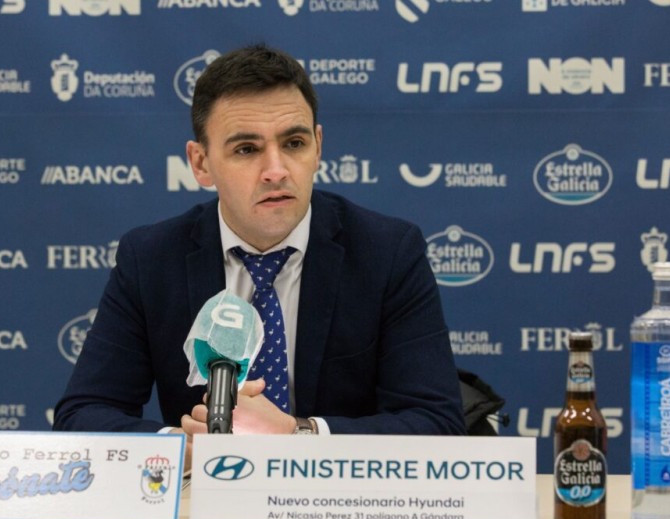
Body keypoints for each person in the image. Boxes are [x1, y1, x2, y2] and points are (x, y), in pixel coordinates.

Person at [53, 44, 466, 446]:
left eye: (294, 144)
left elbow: (436, 423)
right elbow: (83, 415)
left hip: (336, 504)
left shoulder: (387, 252)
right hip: (209, 500)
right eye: (247, 149)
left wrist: (299, 435)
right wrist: (179, 446)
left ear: (318, 147)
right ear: (201, 163)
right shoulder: (151, 258)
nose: (276, 170)